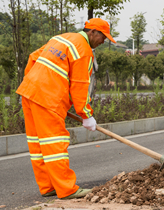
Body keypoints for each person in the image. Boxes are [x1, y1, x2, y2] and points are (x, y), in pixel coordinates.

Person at [16, 18, 115, 199]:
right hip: (47, 98)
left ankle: (47, 186)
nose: (104, 41)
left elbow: (33, 58)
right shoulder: (84, 52)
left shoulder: (61, 38)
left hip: (29, 92)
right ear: (92, 32)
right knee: (55, 143)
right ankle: (67, 189)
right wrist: (86, 115)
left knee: (39, 144)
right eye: (103, 37)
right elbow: (80, 85)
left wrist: (33, 85)